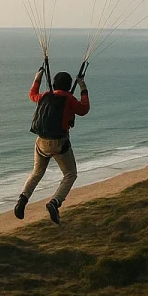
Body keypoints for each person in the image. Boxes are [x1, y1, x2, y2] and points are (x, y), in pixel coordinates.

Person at [14, 68, 90, 224]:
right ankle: (55, 202)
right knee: (70, 174)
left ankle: (22, 199)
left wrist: (37, 77)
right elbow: (84, 109)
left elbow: (32, 94)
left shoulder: (45, 96)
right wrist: (83, 88)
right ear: (69, 86)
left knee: (37, 172)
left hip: (41, 142)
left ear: (54, 84)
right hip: (59, 144)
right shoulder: (69, 99)